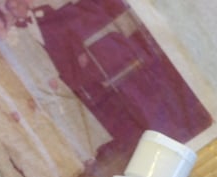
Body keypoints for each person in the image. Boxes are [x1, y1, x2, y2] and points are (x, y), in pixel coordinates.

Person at [19, 0, 212, 146]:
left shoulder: (67, 12)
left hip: (125, 56)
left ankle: (189, 130)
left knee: (159, 94)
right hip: (108, 71)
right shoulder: (46, 20)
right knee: (144, 106)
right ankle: (177, 138)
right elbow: (64, 54)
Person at [0, 6, 111, 165]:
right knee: (59, 122)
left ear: (2, 18)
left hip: (47, 79)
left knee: (71, 113)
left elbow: (40, 54)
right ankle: (84, 154)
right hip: (32, 88)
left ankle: (96, 143)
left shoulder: (19, 33)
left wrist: (50, 76)